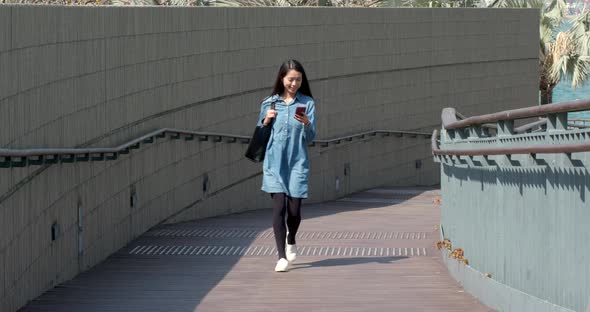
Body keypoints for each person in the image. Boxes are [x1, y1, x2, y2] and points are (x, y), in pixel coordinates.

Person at [257, 59, 316, 272]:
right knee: (279, 207)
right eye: (290, 79)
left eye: (298, 80)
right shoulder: (269, 103)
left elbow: (310, 138)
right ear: (282, 79)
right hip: (274, 164)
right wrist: (266, 121)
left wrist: (307, 123)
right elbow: (260, 135)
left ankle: (292, 236)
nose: (294, 83)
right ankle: (281, 256)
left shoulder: (307, 103)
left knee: (295, 211)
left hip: (297, 163)